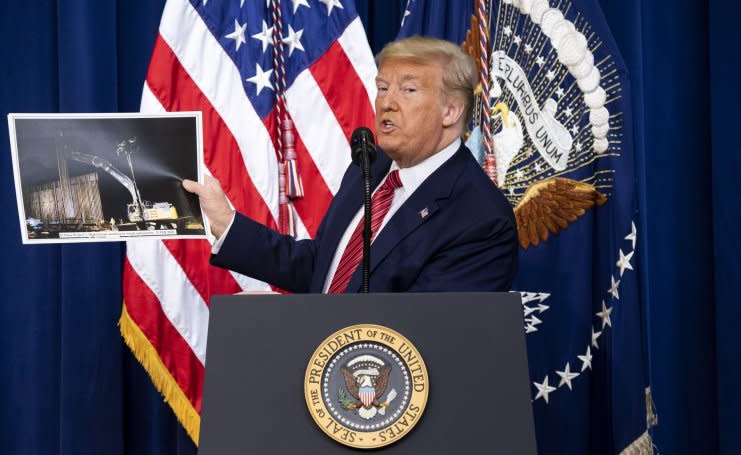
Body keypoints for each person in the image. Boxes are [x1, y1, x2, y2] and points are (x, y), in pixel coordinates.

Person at [183, 36, 517, 293]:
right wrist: (225, 222)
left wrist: (287, 320)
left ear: (451, 111)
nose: (387, 102)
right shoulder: (369, 167)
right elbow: (323, 268)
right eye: (383, 88)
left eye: (409, 89)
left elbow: (427, 331)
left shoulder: (481, 218)